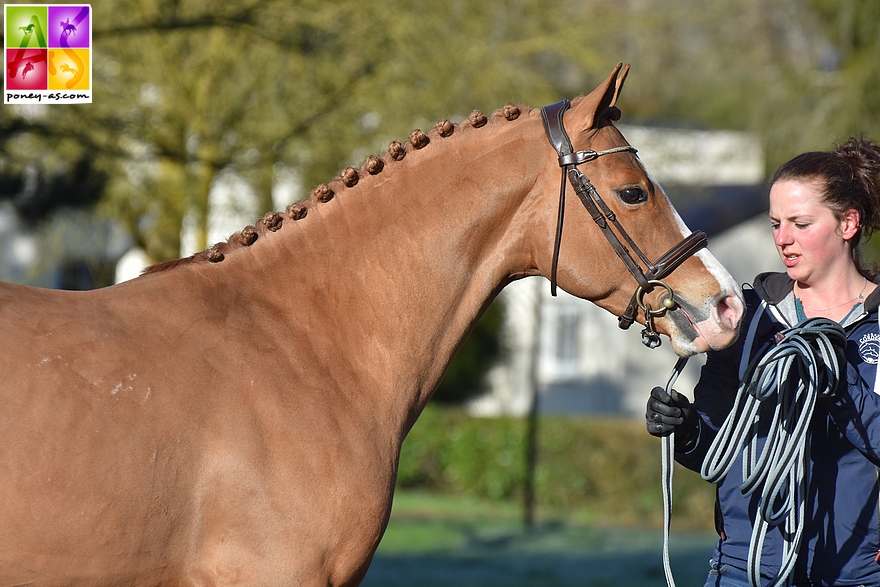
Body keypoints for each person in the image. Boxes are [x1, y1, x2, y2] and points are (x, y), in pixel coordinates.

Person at [646, 137, 880, 587]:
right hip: (744, 570)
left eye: (800, 223)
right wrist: (686, 428)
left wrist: (836, 380)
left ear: (848, 223)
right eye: (776, 224)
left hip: (854, 575)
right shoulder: (747, 318)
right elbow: (715, 450)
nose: (783, 239)